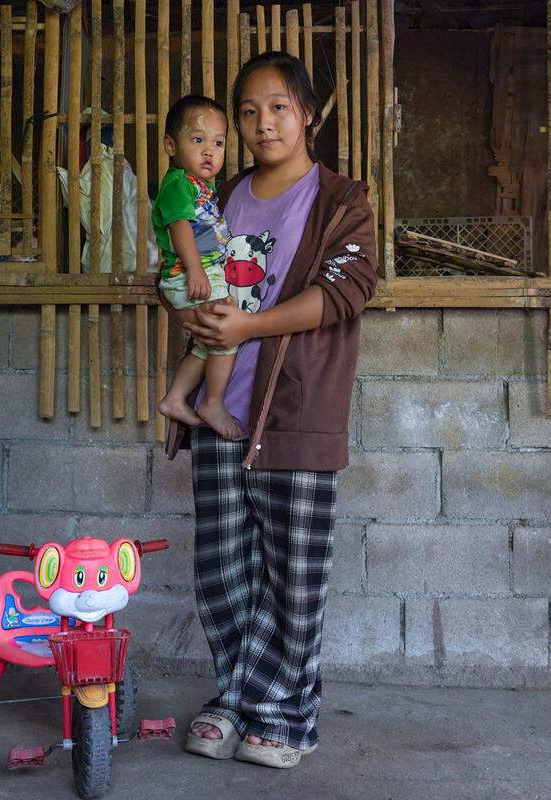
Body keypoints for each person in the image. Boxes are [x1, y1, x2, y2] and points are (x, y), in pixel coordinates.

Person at [160, 51, 378, 769]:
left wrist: (248, 327)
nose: (262, 124)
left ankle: (282, 716)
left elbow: (346, 293)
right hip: (221, 412)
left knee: (293, 576)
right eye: (248, 112)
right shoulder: (216, 197)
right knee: (224, 571)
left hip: (294, 414)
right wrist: (184, 339)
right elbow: (188, 279)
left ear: (309, 113)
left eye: (279, 107)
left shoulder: (343, 200)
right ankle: (230, 701)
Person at [154, 95, 245, 441]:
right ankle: (213, 403)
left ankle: (175, 398)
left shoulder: (199, 187)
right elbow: (179, 228)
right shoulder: (178, 184)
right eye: (198, 140)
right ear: (170, 146)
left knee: (207, 343)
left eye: (218, 143)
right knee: (225, 334)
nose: (210, 151)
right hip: (187, 275)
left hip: (198, 273)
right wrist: (196, 271)